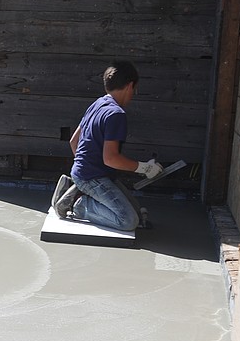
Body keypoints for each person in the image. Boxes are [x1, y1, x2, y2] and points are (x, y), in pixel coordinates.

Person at [52, 60, 162, 231]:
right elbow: (111, 159)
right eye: (134, 89)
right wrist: (144, 168)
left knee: (138, 215)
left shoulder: (98, 104)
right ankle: (75, 203)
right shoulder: (116, 114)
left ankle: (79, 190)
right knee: (128, 221)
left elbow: (74, 141)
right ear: (130, 86)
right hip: (93, 178)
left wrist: (85, 167)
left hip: (88, 174)